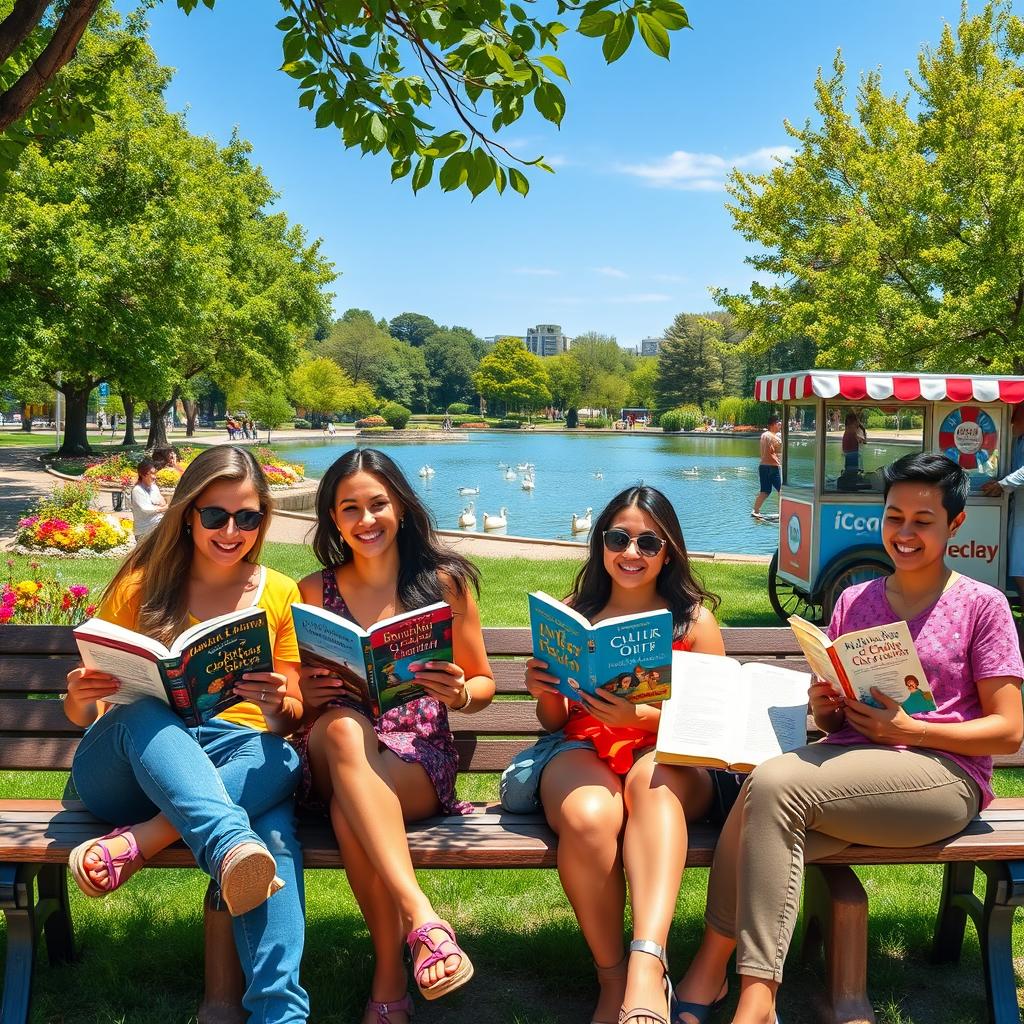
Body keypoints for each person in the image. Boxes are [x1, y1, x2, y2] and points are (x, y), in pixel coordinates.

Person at [674, 452, 1024, 1024]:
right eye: (894, 517)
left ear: (954, 524)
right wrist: (826, 706)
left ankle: (750, 995)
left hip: (942, 776)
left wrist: (912, 728)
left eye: (922, 520)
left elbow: (1009, 731)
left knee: (774, 787)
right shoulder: (855, 601)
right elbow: (836, 725)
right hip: (850, 770)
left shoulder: (981, 605)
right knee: (762, 821)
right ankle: (717, 976)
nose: (904, 533)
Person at [63, 446, 310, 1023]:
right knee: (149, 714)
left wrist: (278, 705)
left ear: (263, 519)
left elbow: (292, 715)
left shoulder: (278, 593)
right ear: (187, 514)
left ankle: (281, 1014)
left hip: (239, 756)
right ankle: (218, 842)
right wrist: (76, 700)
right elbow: (95, 710)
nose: (231, 531)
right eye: (215, 516)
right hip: (132, 762)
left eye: (247, 518)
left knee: (277, 805)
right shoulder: (141, 586)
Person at [501, 485, 738, 1024]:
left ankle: (645, 968)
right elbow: (555, 722)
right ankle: (610, 979)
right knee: (589, 816)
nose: (631, 553)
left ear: (669, 551)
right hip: (580, 747)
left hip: (670, 757)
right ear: (600, 544)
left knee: (647, 785)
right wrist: (545, 692)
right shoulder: (572, 614)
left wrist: (644, 720)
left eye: (648, 543)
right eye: (618, 538)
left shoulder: (693, 622)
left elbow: (714, 723)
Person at [293, 448, 495, 1022]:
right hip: (333, 747)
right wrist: (307, 694)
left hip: (416, 756)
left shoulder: (443, 584)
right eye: (349, 508)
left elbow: (480, 684)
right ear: (333, 518)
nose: (366, 520)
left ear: (401, 507)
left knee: (347, 812)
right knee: (341, 730)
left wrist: (458, 692)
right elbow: (291, 700)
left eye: (377, 504)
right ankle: (422, 919)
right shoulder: (312, 591)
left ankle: (389, 980)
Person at [981, 401, 1024, 614]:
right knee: (1016, 569)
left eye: (1015, 415)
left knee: (1020, 570)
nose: (1011, 420)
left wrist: (1001, 485)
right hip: (1017, 514)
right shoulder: (1017, 441)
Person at [752, 414, 782, 517]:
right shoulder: (773, 437)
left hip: (763, 466)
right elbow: (778, 449)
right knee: (781, 490)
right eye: (778, 424)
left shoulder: (763, 435)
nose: (780, 426)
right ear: (773, 424)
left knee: (765, 491)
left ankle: (755, 511)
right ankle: (782, 512)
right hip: (773, 466)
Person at [130, 458, 168, 540]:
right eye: (152, 474)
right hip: (144, 531)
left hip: (157, 525)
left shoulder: (154, 487)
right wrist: (163, 509)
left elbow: (162, 501)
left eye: (155, 473)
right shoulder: (138, 490)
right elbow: (146, 509)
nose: (155, 477)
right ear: (143, 474)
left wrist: (162, 505)